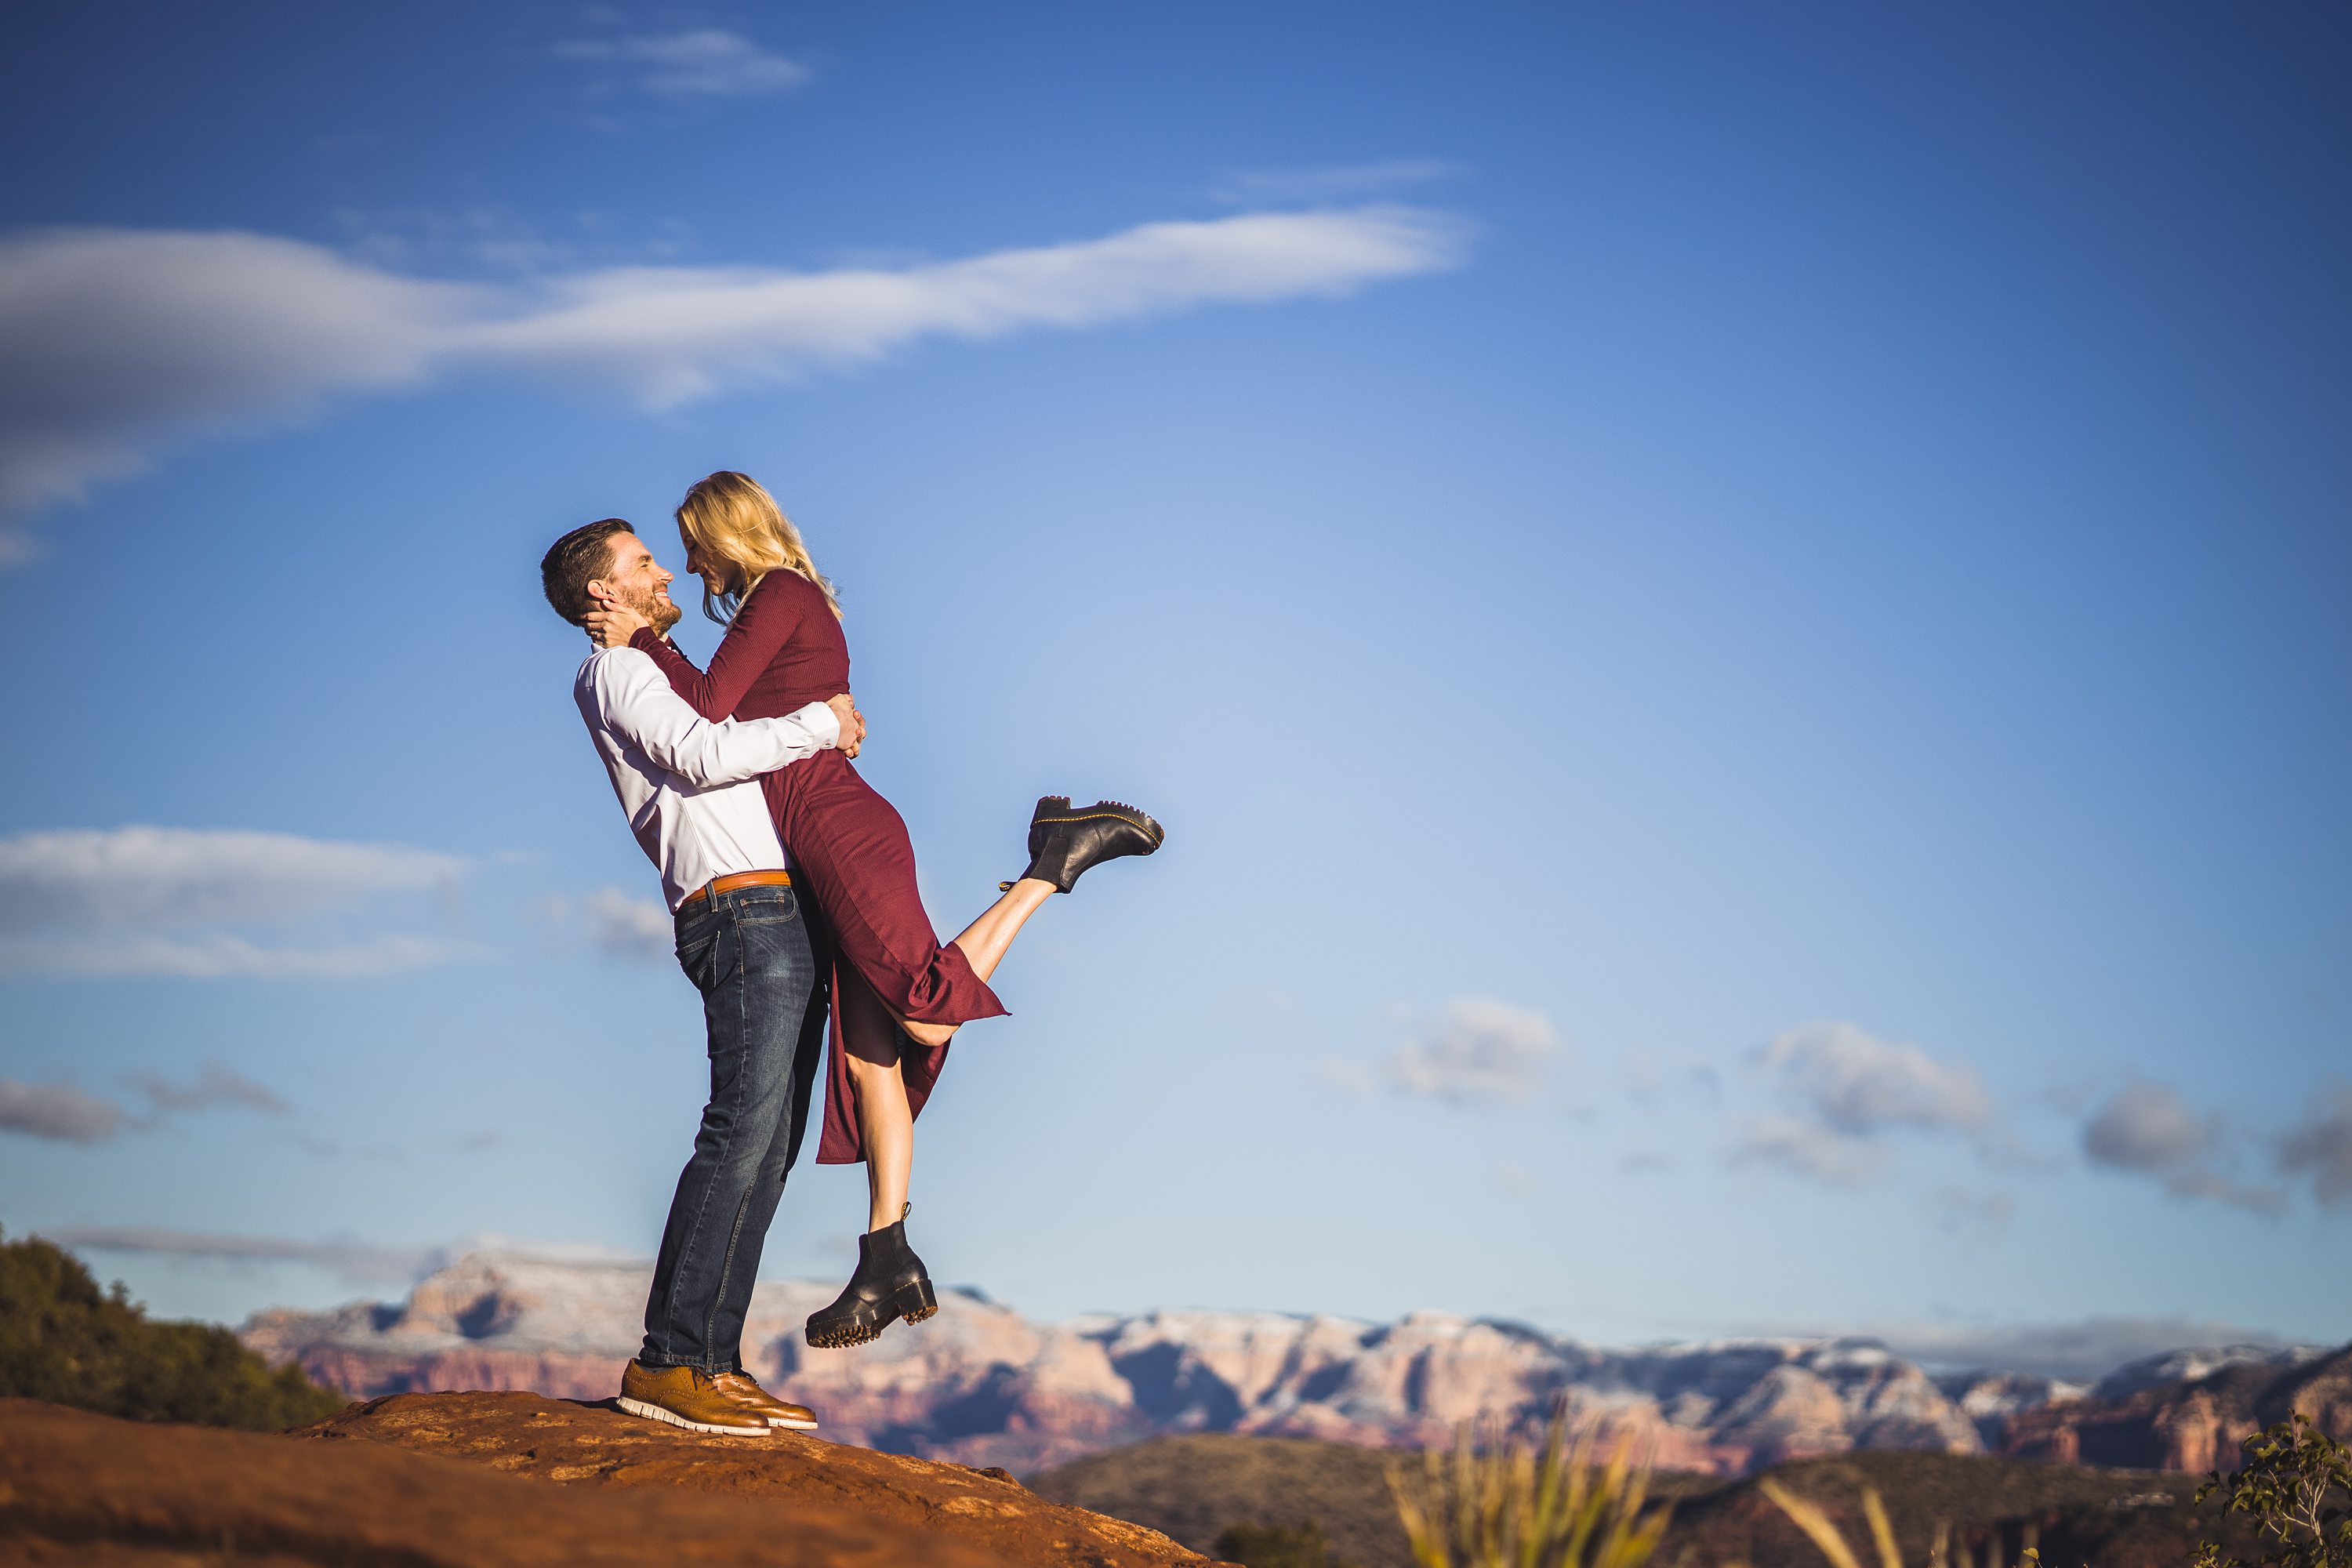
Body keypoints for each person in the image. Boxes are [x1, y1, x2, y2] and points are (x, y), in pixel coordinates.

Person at [583, 472, 1162, 1351]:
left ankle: (1054, 861)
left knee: (924, 1019)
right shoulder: (763, 608)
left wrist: (644, 639)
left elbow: (705, 710)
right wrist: (684, 658)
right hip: (811, 833)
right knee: (869, 1063)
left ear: (723, 533)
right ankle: (886, 1256)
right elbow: (726, 706)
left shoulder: (781, 591)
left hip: (835, 824)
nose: (683, 564)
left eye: (688, 543)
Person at [542, 516, 863, 1437]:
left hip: (776, 908)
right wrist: (819, 722)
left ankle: (712, 1362)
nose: (664, 569)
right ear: (603, 592)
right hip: (738, 910)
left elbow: (723, 727)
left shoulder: (657, 660)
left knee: (771, 1139)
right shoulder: (616, 670)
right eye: (643, 561)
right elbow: (703, 755)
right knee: (741, 1129)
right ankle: (670, 1357)